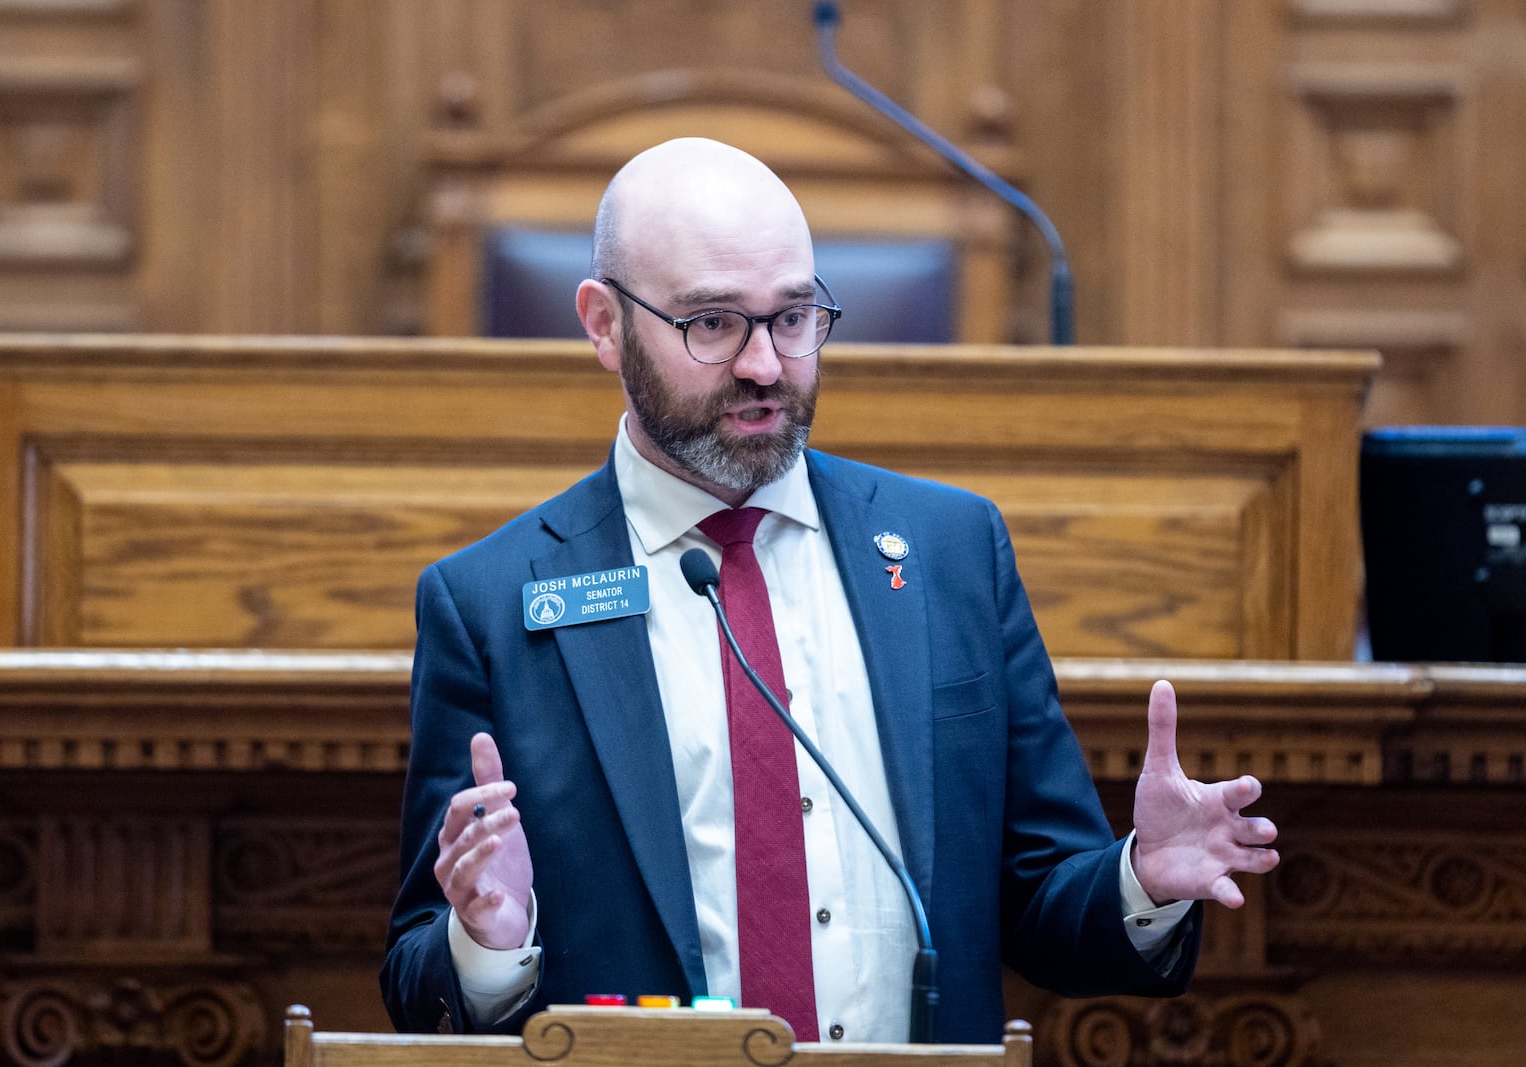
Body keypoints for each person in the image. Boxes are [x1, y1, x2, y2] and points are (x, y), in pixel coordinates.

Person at [381, 137, 1279, 1045]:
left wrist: (1143, 879)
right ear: (605, 324)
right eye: (713, 323)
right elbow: (417, 978)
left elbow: (1038, 899)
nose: (766, 364)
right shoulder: (490, 604)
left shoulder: (951, 552)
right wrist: (488, 945)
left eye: (795, 316)